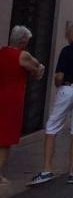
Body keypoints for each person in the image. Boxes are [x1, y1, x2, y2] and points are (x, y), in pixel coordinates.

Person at [29, 21, 73, 186]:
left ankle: (47, 169)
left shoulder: (66, 51)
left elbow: (60, 76)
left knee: (52, 126)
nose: (67, 35)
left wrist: (57, 82)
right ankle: (72, 172)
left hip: (67, 89)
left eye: (68, 33)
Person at [0, 26, 44, 184]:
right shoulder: (23, 55)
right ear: (23, 41)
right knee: (5, 138)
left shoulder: (3, 52)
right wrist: (38, 69)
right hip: (12, 100)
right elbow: (37, 67)